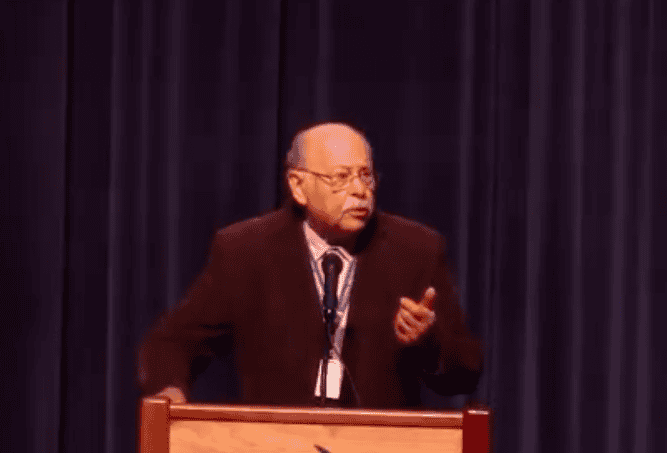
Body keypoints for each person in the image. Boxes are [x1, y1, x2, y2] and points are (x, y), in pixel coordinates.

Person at [137, 122, 483, 408]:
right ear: (298, 187)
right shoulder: (246, 251)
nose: (360, 190)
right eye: (341, 177)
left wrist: (427, 341)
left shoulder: (415, 250)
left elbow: (466, 370)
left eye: (366, 175)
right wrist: (169, 392)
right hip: (275, 451)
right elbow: (172, 341)